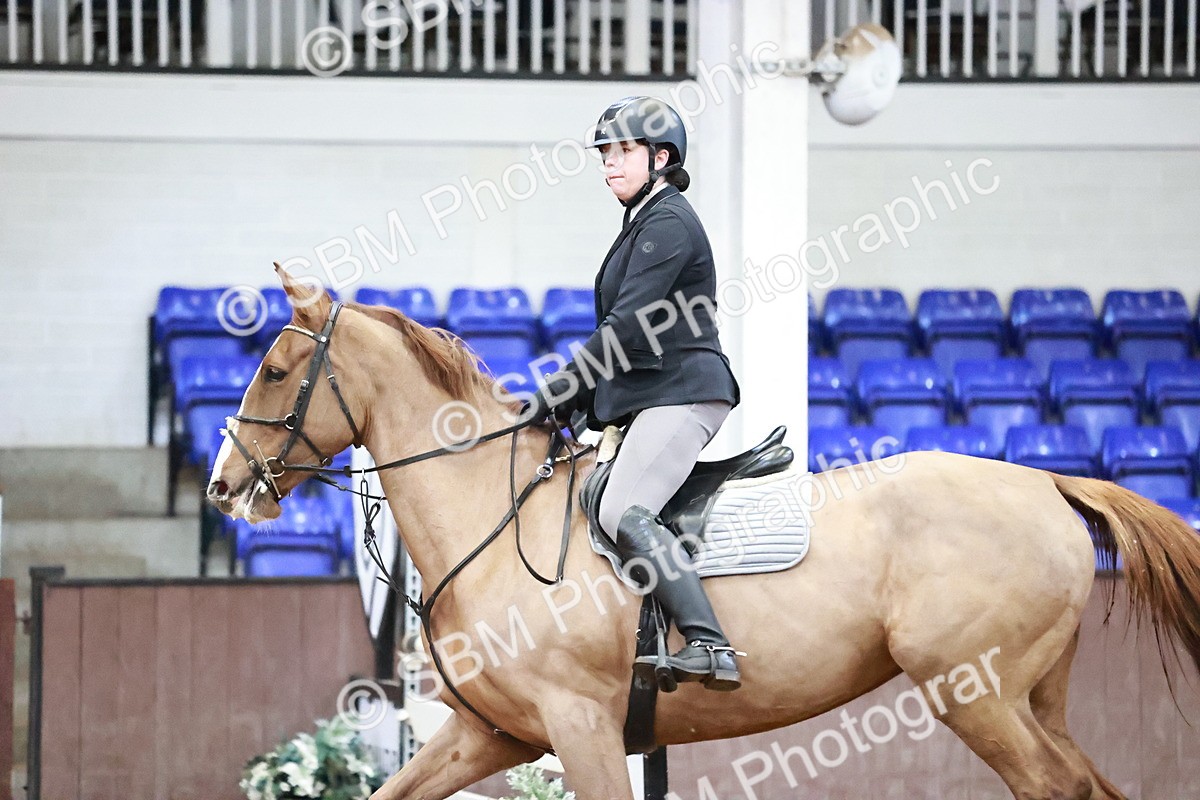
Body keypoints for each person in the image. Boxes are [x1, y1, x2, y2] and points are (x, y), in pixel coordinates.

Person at [526, 96, 743, 691]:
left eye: (623, 152)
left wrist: (558, 389)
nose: (609, 165)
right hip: (656, 389)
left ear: (661, 156)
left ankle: (709, 642)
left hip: (686, 390)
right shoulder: (643, 220)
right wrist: (573, 404)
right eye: (605, 155)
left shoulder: (669, 221)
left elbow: (625, 328)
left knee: (622, 509)